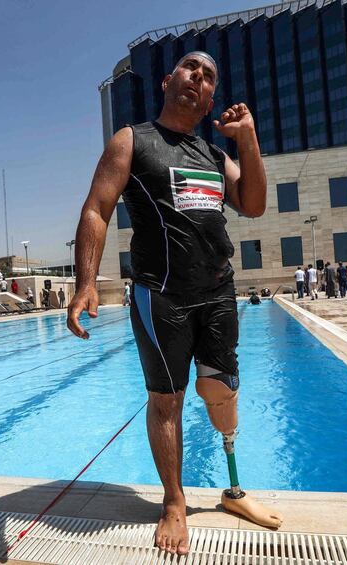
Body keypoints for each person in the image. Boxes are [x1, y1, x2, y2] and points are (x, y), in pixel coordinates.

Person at [66, 51, 281, 556]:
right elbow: (97, 207)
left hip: (218, 292)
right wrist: (85, 282)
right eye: (191, 69)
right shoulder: (133, 140)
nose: (199, 78)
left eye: (209, 77)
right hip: (160, 294)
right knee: (167, 400)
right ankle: (174, 503)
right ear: (169, 80)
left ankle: (232, 488)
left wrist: (247, 136)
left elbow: (252, 203)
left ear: (210, 100)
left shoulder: (212, 153)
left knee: (220, 390)